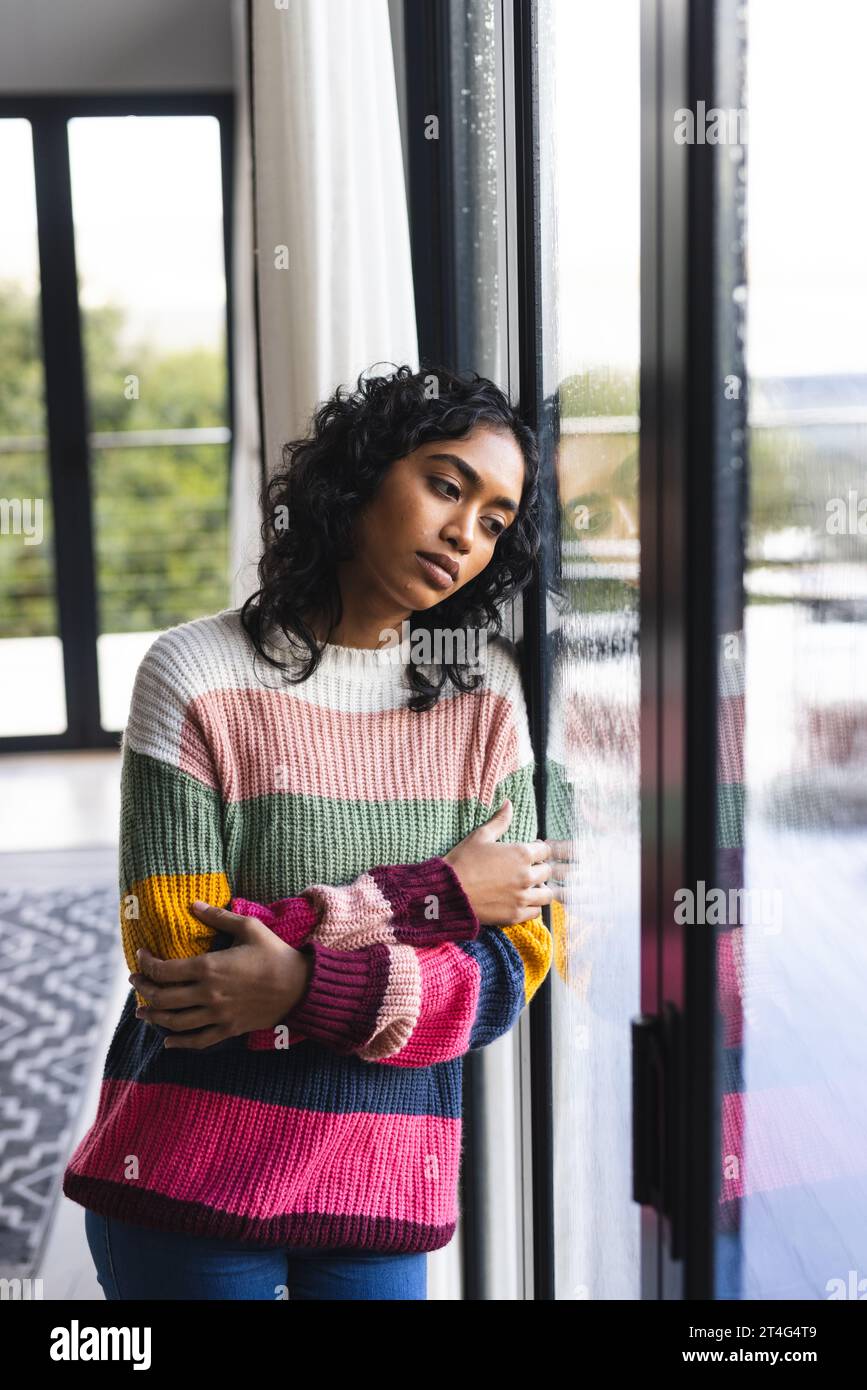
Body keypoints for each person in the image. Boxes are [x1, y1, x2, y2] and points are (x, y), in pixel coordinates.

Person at [63, 361, 555, 1300]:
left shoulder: (487, 696)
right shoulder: (194, 673)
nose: (464, 533)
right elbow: (180, 969)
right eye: (445, 486)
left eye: (494, 520)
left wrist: (291, 982)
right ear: (360, 474)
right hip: (185, 1183)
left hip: (381, 1187)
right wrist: (433, 897)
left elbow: (514, 967)